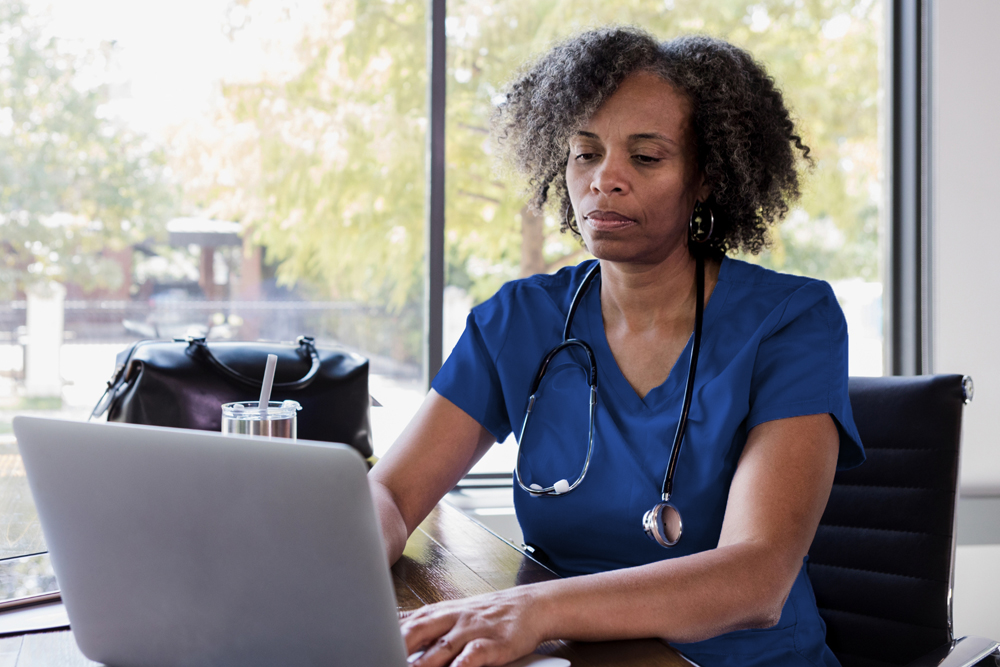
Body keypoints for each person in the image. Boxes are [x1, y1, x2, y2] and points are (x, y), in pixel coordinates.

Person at [369, 26, 865, 667]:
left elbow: (757, 577)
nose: (606, 180)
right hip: (581, 656)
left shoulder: (791, 320)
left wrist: (535, 610)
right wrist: (363, 539)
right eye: (584, 154)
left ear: (707, 177)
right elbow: (392, 494)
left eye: (647, 157)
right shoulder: (520, 319)